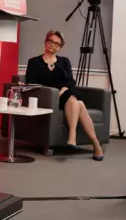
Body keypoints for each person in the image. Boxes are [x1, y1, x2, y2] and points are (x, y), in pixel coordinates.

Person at [25, 30, 104, 161]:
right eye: (50, 41)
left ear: (60, 47)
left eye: (57, 44)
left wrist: (62, 91)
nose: (53, 45)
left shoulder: (64, 61)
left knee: (75, 101)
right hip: (48, 97)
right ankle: (95, 144)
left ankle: (74, 138)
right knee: (79, 103)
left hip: (65, 95)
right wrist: (55, 93)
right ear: (45, 42)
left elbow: (70, 81)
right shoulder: (34, 62)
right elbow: (31, 82)